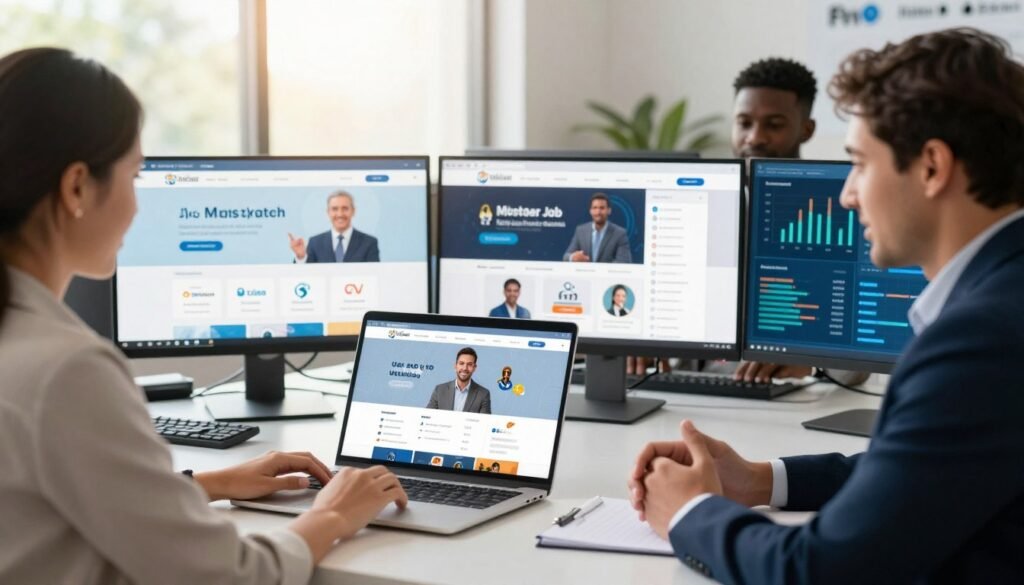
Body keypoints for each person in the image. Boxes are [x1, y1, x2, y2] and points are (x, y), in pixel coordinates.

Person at [629, 28, 1024, 583]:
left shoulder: (981, 340)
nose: (846, 194)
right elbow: (931, 469)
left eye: (860, 163)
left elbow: (821, 570)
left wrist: (689, 514)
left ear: (932, 167)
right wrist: (761, 479)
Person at [0, 48, 407, 584]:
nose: (139, 206)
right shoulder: (68, 371)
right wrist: (333, 514)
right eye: (136, 175)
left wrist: (205, 485)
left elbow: (42, 509)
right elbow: (230, 576)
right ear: (77, 187)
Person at [288, 191, 380, 263]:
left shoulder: (369, 243)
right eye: (335, 209)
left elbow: (375, 276)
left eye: (345, 208)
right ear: (328, 212)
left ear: (353, 211)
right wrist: (301, 257)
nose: (340, 214)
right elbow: (306, 276)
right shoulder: (315, 242)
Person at [563, 192, 632, 263]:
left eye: (602, 208)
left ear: (609, 211)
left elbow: (624, 261)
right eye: (595, 208)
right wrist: (573, 257)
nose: (598, 212)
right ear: (590, 211)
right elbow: (565, 257)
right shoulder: (580, 231)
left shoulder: (620, 234)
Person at [426, 347, 492, 414]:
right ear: (455, 366)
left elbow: (485, 423)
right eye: (461, 363)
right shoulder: (439, 390)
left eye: (469, 364)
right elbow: (427, 416)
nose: (464, 368)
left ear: (474, 368)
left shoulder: (483, 394)